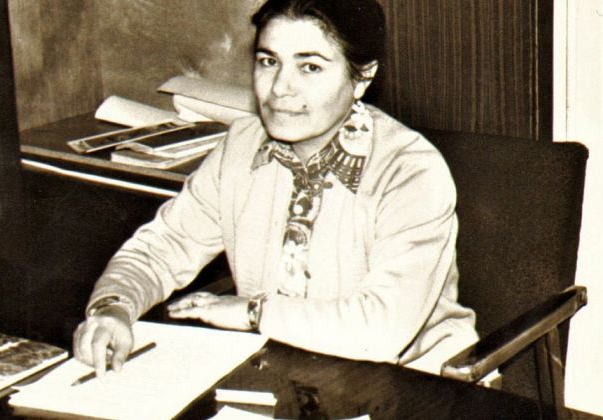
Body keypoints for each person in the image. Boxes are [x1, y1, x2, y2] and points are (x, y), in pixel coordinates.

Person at [73, 0, 478, 378]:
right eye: (269, 61)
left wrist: (252, 312)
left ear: (362, 77)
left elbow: (380, 329)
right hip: (282, 375)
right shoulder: (240, 147)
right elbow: (162, 248)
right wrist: (113, 307)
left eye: (310, 67)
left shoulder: (409, 171)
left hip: (414, 381)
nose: (280, 87)